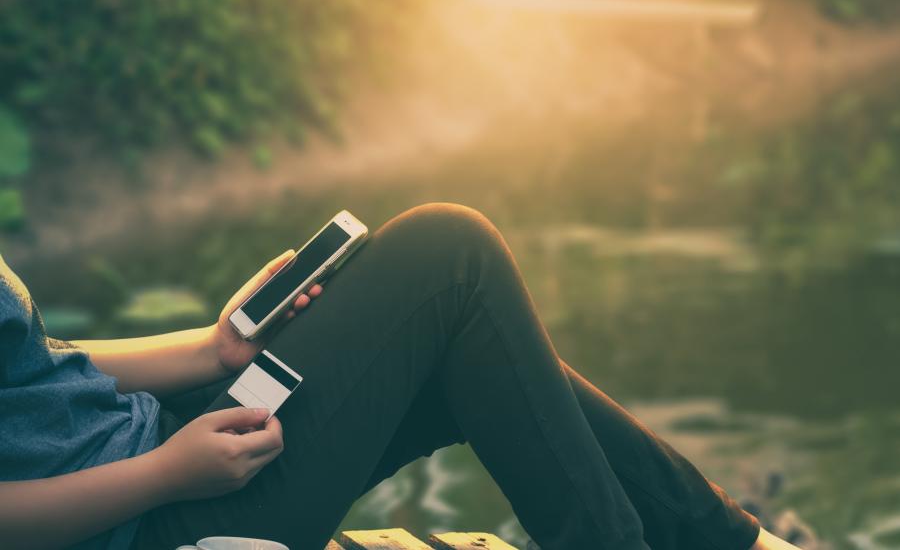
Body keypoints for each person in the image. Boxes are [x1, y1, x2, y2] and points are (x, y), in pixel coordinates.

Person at [0, 202, 803, 550]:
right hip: (152, 524)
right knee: (448, 255)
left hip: (158, 450)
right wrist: (164, 477)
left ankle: (731, 541)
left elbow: (34, 369)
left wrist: (213, 352)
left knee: (458, 346)